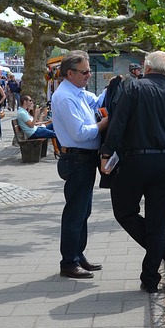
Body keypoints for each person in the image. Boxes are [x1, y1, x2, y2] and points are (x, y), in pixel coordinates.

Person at [100, 50, 165, 294]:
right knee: (157, 220)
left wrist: (106, 153)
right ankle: (151, 278)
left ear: (146, 67)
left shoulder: (134, 88)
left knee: (124, 212)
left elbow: (117, 122)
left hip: (134, 162)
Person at [51, 50, 109, 280]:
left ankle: (77, 254)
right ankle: (68, 261)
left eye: (89, 70)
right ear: (70, 73)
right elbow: (79, 133)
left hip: (82, 158)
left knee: (83, 210)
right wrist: (104, 124)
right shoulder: (65, 97)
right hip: (76, 158)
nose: (88, 74)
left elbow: (96, 100)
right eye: (84, 71)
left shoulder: (77, 92)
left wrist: (112, 88)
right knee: (75, 212)